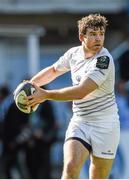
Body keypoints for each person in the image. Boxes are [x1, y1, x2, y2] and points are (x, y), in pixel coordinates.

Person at [18, 14, 120, 179]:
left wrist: (45, 95)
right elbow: (53, 70)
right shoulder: (73, 54)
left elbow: (80, 91)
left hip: (106, 125)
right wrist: (31, 85)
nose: (98, 38)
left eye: (101, 33)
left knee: (98, 177)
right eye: (93, 34)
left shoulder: (104, 60)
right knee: (71, 167)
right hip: (80, 122)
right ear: (82, 37)